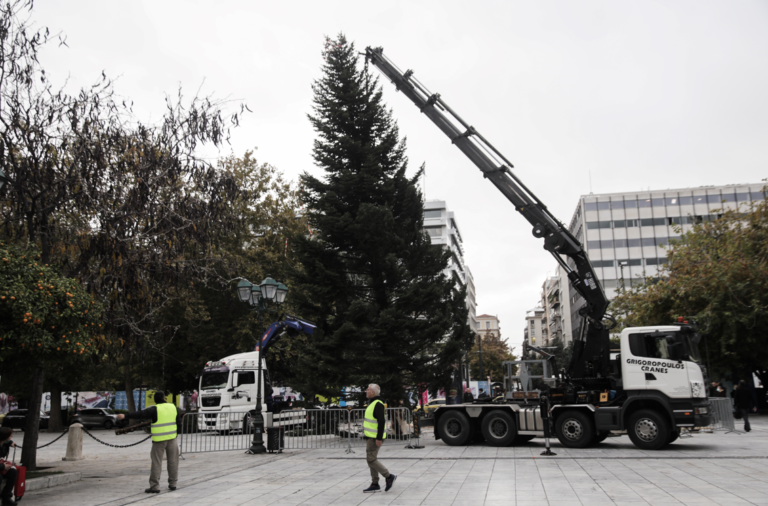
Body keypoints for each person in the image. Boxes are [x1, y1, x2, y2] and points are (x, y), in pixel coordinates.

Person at [117, 392, 181, 493]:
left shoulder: (154, 409)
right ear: (164, 398)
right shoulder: (173, 407)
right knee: (173, 461)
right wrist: (176, 434)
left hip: (159, 441)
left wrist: (125, 416)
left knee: (157, 462)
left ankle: (155, 486)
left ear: (155, 400)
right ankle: (173, 484)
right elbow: (179, 422)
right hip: (172, 439)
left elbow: (140, 414)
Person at [362, 384, 396, 493]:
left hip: (374, 437)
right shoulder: (373, 403)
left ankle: (388, 476)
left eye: (367, 389)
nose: (366, 391)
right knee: (371, 459)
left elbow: (381, 421)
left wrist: (379, 438)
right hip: (371, 436)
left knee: (371, 459)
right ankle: (375, 483)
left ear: (372, 392)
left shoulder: (377, 404)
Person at [0, 428, 18, 506]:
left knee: (13, 472)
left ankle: (6, 497)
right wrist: (3, 466)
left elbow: (8, 442)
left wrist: (10, 443)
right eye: (10, 435)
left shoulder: (3, 444)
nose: (12, 436)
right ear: (5, 436)